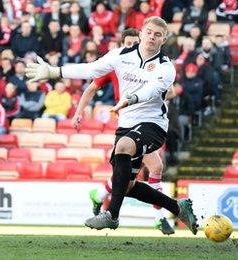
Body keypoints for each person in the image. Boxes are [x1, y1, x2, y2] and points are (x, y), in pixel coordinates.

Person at [25, 16, 198, 233]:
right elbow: (90, 70)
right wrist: (54, 72)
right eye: (149, 32)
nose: (152, 37)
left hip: (153, 125)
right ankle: (177, 207)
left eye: (157, 35)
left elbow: (151, 90)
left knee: (124, 147)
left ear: (164, 39)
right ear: (142, 32)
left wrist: (129, 99)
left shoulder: (166, 67)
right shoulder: (120, 55)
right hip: (126, 124)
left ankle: (112, 216)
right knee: (125, 186)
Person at [72, 28, 175, 235]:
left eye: (133, 43)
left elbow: (170, 91)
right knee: (148, 168)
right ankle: (160, 216)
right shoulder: (116, 65)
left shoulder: (153, 66)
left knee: (150, 170)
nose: (131, 47)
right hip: (127, 122)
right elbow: (92, 87)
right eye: (127, 44)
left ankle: (102, 194)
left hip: (146, 122)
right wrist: (78, 112)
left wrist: (152, 97)